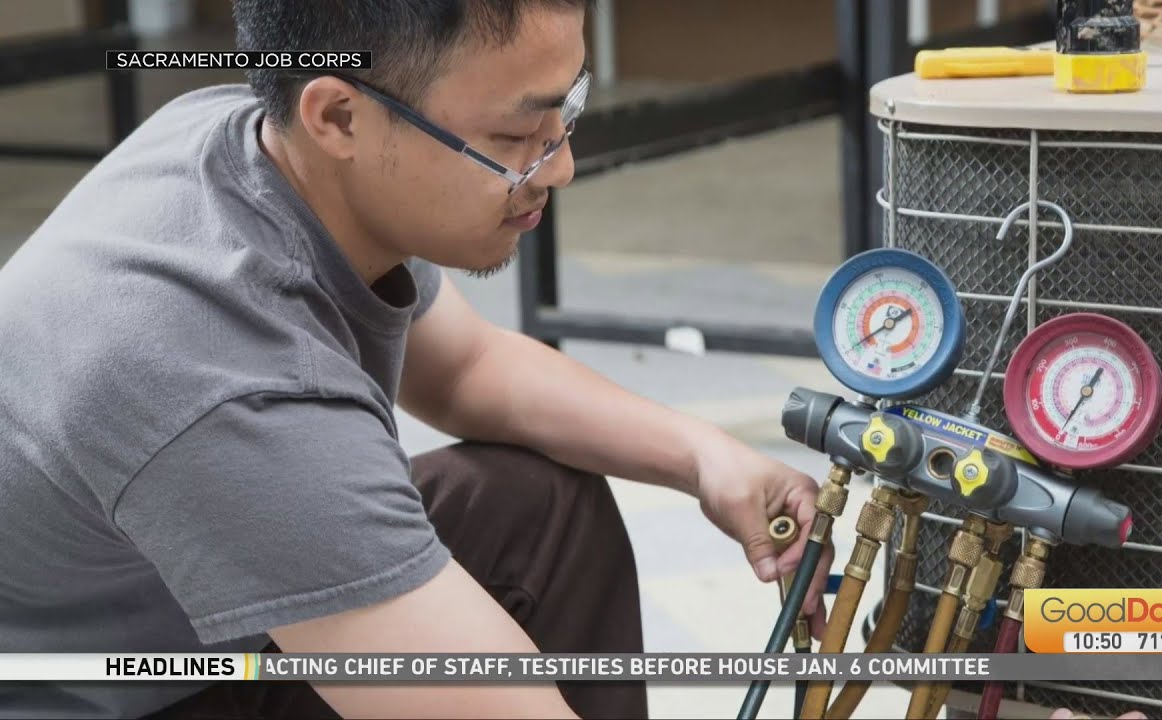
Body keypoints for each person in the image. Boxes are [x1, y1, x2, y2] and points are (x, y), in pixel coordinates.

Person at [0, 1, 837, 718]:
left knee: (535, 508)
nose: (561, 166)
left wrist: (706, 457)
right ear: (339, 117)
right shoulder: (217, 381)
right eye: (518, 134)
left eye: (566, 112)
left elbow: (467, 369)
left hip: (200, 627)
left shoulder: (251, 141)